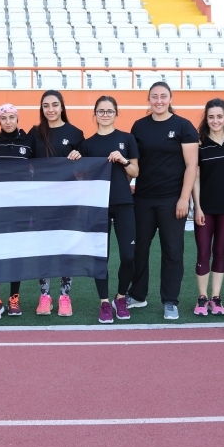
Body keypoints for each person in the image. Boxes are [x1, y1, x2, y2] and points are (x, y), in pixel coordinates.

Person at [129, 81, 199, 320]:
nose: (159, 101)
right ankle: (137, 295)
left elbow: (191, 166)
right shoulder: (139, 126)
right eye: (154, 96)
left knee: (172, 250)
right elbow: (133, 162)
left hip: (172, 200)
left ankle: (170, 301)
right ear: (148, 99)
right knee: (139, 249)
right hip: (143, 198)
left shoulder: (183, 126)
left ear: (170, 98)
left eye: (163, 96)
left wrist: (184, 198)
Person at [78, 96, 139, 324]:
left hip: (123, 203)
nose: (105, 115)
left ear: (116, 113)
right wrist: (76, 160)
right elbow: (80, 177)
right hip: (98, 206)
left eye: (109, 111)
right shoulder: (87, 144)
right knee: (101, 256)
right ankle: (104, 302)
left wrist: (123, 160)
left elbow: (135, 172)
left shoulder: (126, 138)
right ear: (95, 114)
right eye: (101, 111)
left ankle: (120, 298)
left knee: (128, 256)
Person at [28, 90, 84, 317]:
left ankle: (64, 296)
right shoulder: (35, 133)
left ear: (62, 107)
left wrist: (79, 157)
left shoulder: (76, 134)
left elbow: (85, 168)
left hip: (68, 200)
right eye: (46, 105)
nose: (50, 109)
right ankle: (45, 296)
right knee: (44, 248)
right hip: (41, 201)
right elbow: (16, 149)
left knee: (65, 247)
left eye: (54, 105)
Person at [0, 103, 34, 320]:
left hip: (21, 207)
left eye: (11, 117)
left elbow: (45, 165)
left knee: (16, 253)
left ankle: (14, 298)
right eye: (3, 118)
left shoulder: (29, 141)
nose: (8, 121)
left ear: (17, 119)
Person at [191, 98, 224, 316]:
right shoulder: (199, 143)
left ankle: (216, 298)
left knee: (220, 252)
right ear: (206, 118)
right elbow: (195, 178)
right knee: (203, 252)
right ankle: (202, 298)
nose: (215, 120)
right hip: (205, 209)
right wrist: (197, 207)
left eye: (219, 116)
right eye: (211, 117)